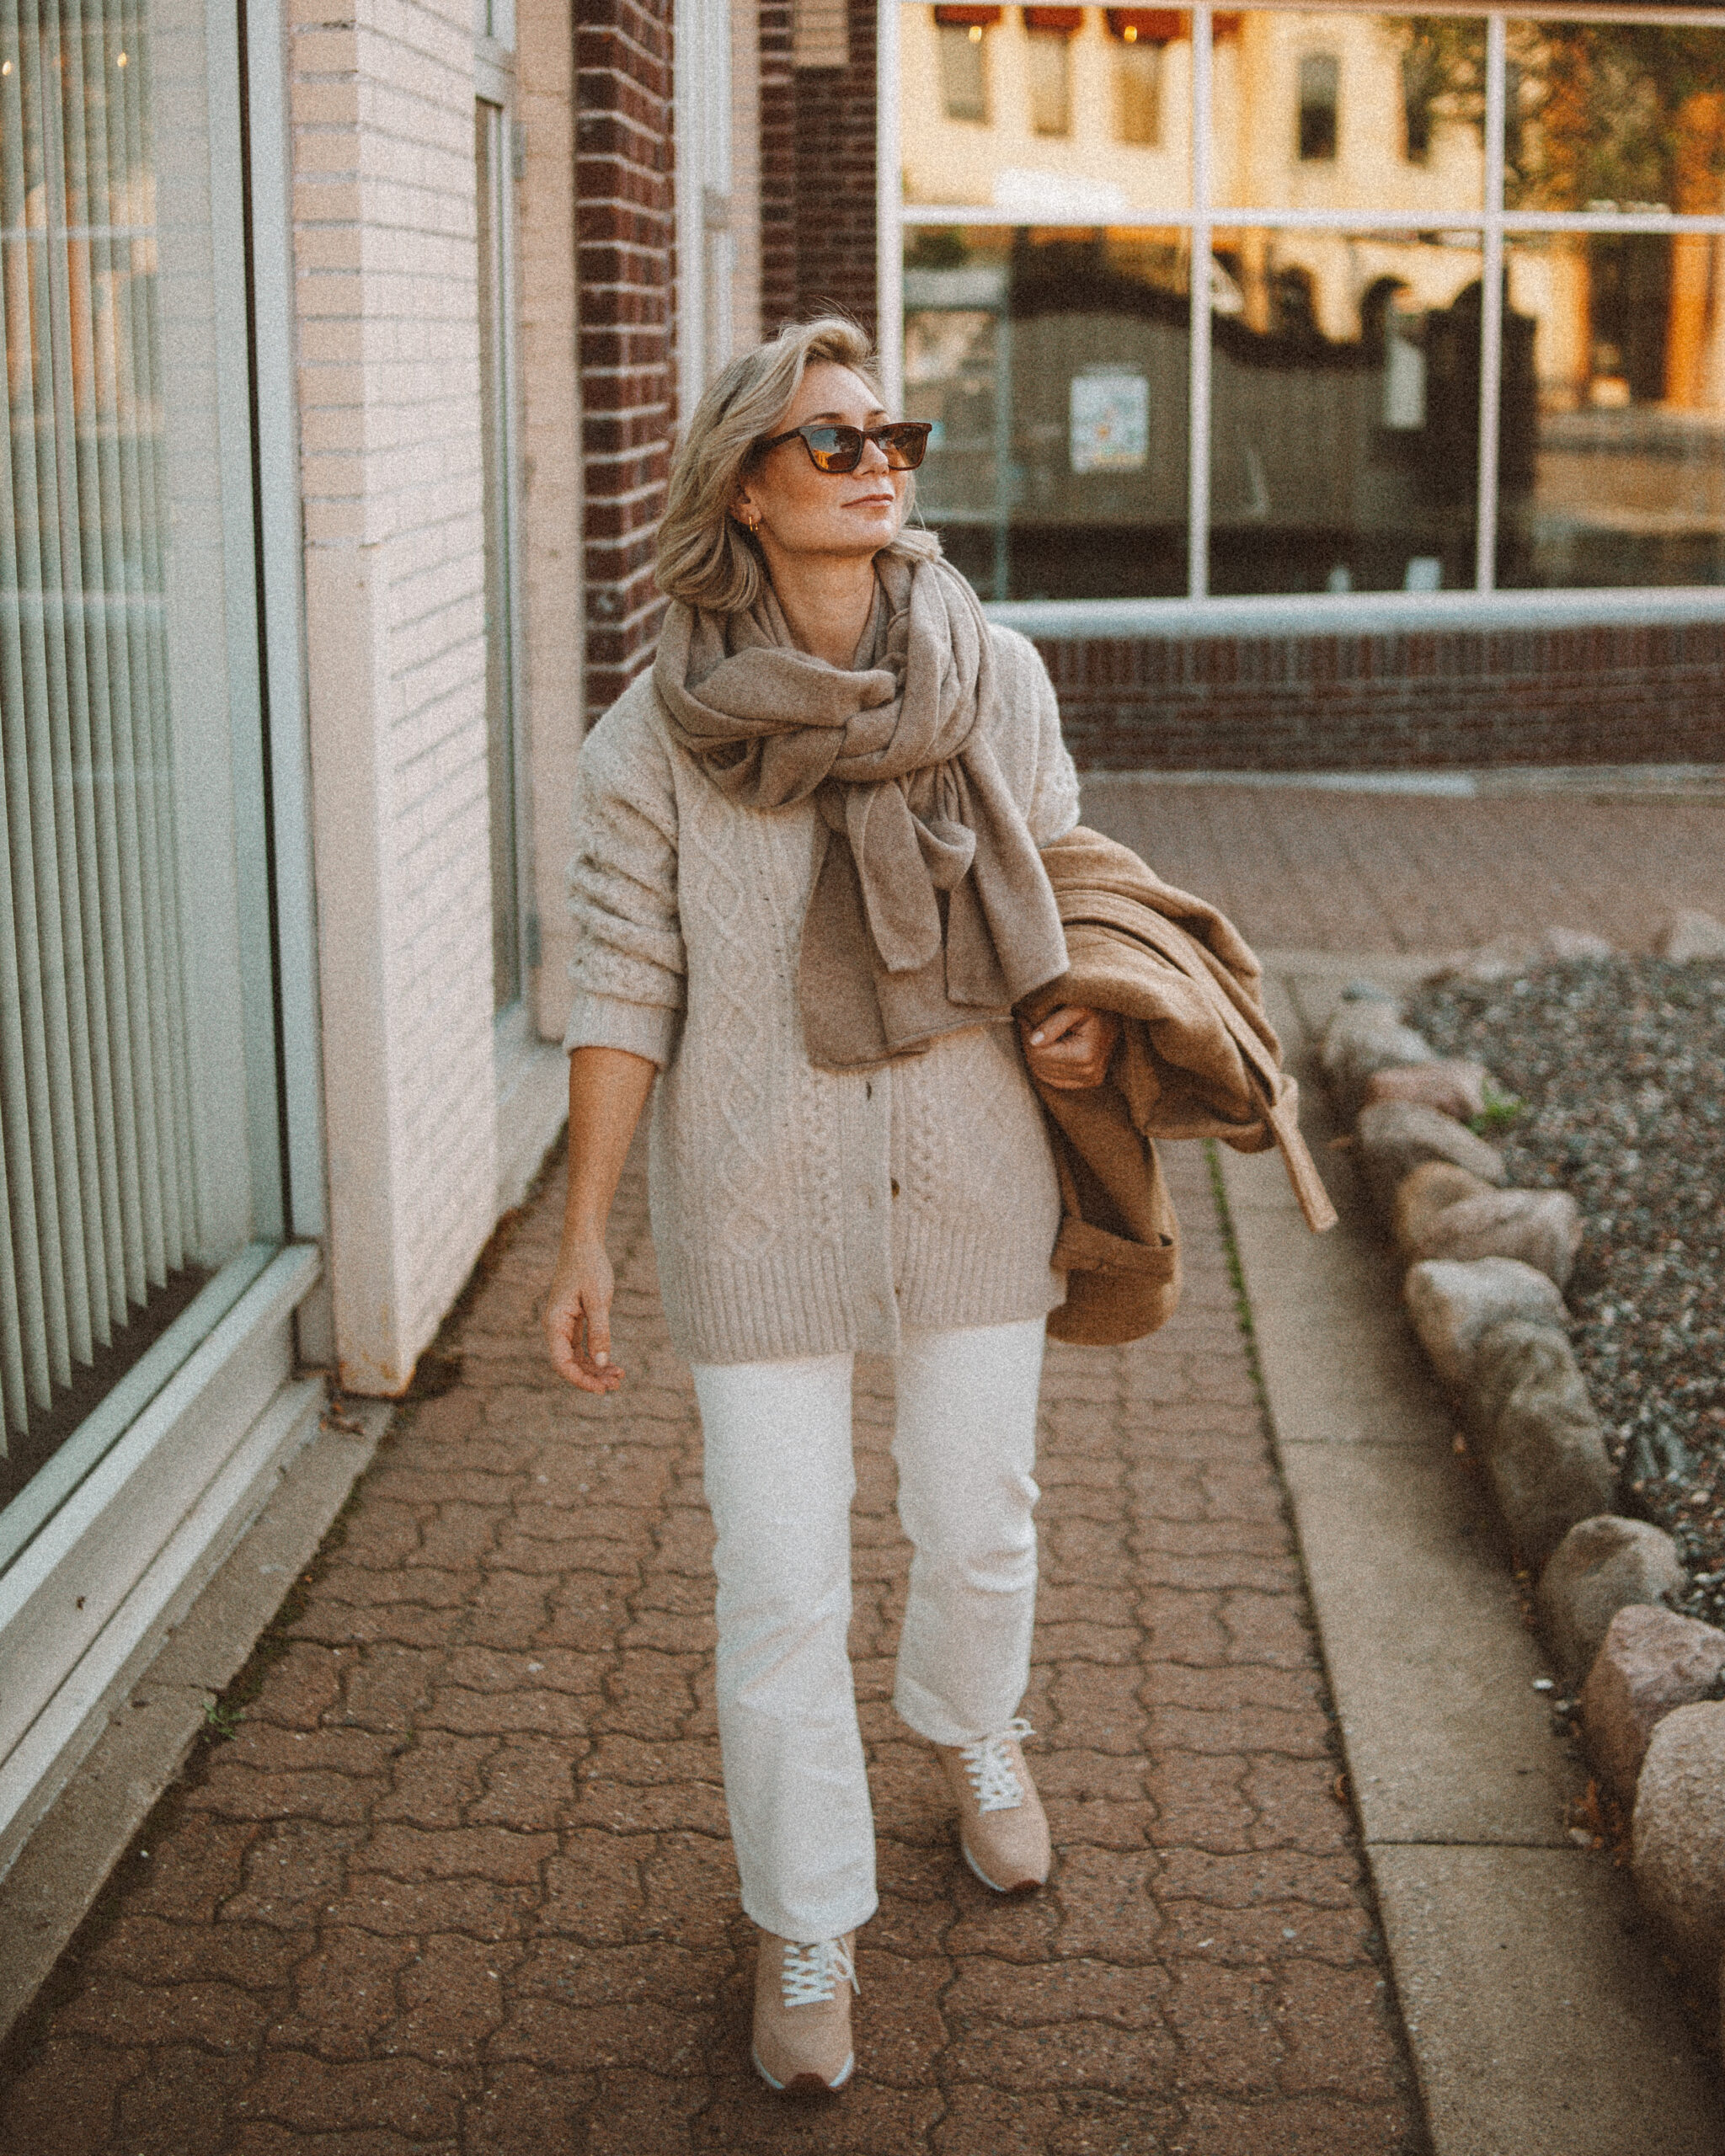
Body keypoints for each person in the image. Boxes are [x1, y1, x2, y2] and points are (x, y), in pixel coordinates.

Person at [542, 317, 1118, 2095]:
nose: (880, 463)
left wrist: (1082, 1000)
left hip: (970, 1162)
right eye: (833, 442)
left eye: (896, 434)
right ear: (743, 485)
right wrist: (583, 1231)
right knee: (778, 1579)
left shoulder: (987, 669)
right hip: (754, 1195)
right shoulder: (653, 736)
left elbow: (1066, 867)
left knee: (981, 1514)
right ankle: (806, 1912)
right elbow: (626, 977)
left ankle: (974, 1728)